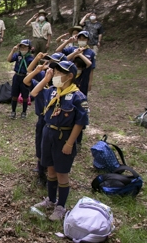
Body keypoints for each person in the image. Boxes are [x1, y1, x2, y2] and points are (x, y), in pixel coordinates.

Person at [30, 61, 89, 221]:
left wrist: (70, 143)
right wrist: (46, 78)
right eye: (54, 72)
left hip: (64, 137)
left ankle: (61, 206)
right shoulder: (51, 92)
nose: (54, 75)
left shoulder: (78, 97)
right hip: (48, 133)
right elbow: (34, 93)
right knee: (50, 169)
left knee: (62, 173)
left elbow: (80, 122)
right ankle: (50, 199)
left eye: (58, 73)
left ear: (70, 76)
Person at [24, 52, 66, 186]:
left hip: (57, 122)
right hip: (42, 119)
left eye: (54, 66)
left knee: (54, 147)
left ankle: (53, 171)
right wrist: (39, 71)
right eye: (48, 63)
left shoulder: (63, 84)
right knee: (40, 144)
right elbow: (27, 80)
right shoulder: (44, 80)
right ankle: (41, 170)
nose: (49, 67)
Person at [55, 31, 96, 96]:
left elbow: (91, 68)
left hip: (83, 79)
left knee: (80, 96)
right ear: (77, 39)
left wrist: (90, 82)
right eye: (80, 39)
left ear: (88, 40)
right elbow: (58, 51)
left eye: (84, 39)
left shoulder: (91, 52)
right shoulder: (72, 49)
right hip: (70, 77)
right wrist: (68, 41)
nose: (82, 40)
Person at [7, 39, 34, 119]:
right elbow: (9, 59)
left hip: (25, 78)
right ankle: (13, 111)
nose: (23, 49)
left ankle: (24, 112)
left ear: (29, 48)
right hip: (17, 76)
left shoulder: (31, 58)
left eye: (25, 48)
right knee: (14, 95)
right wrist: (13, 50)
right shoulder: (18, 55)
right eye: (21, 47)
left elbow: (33, 70)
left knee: (25, 96)